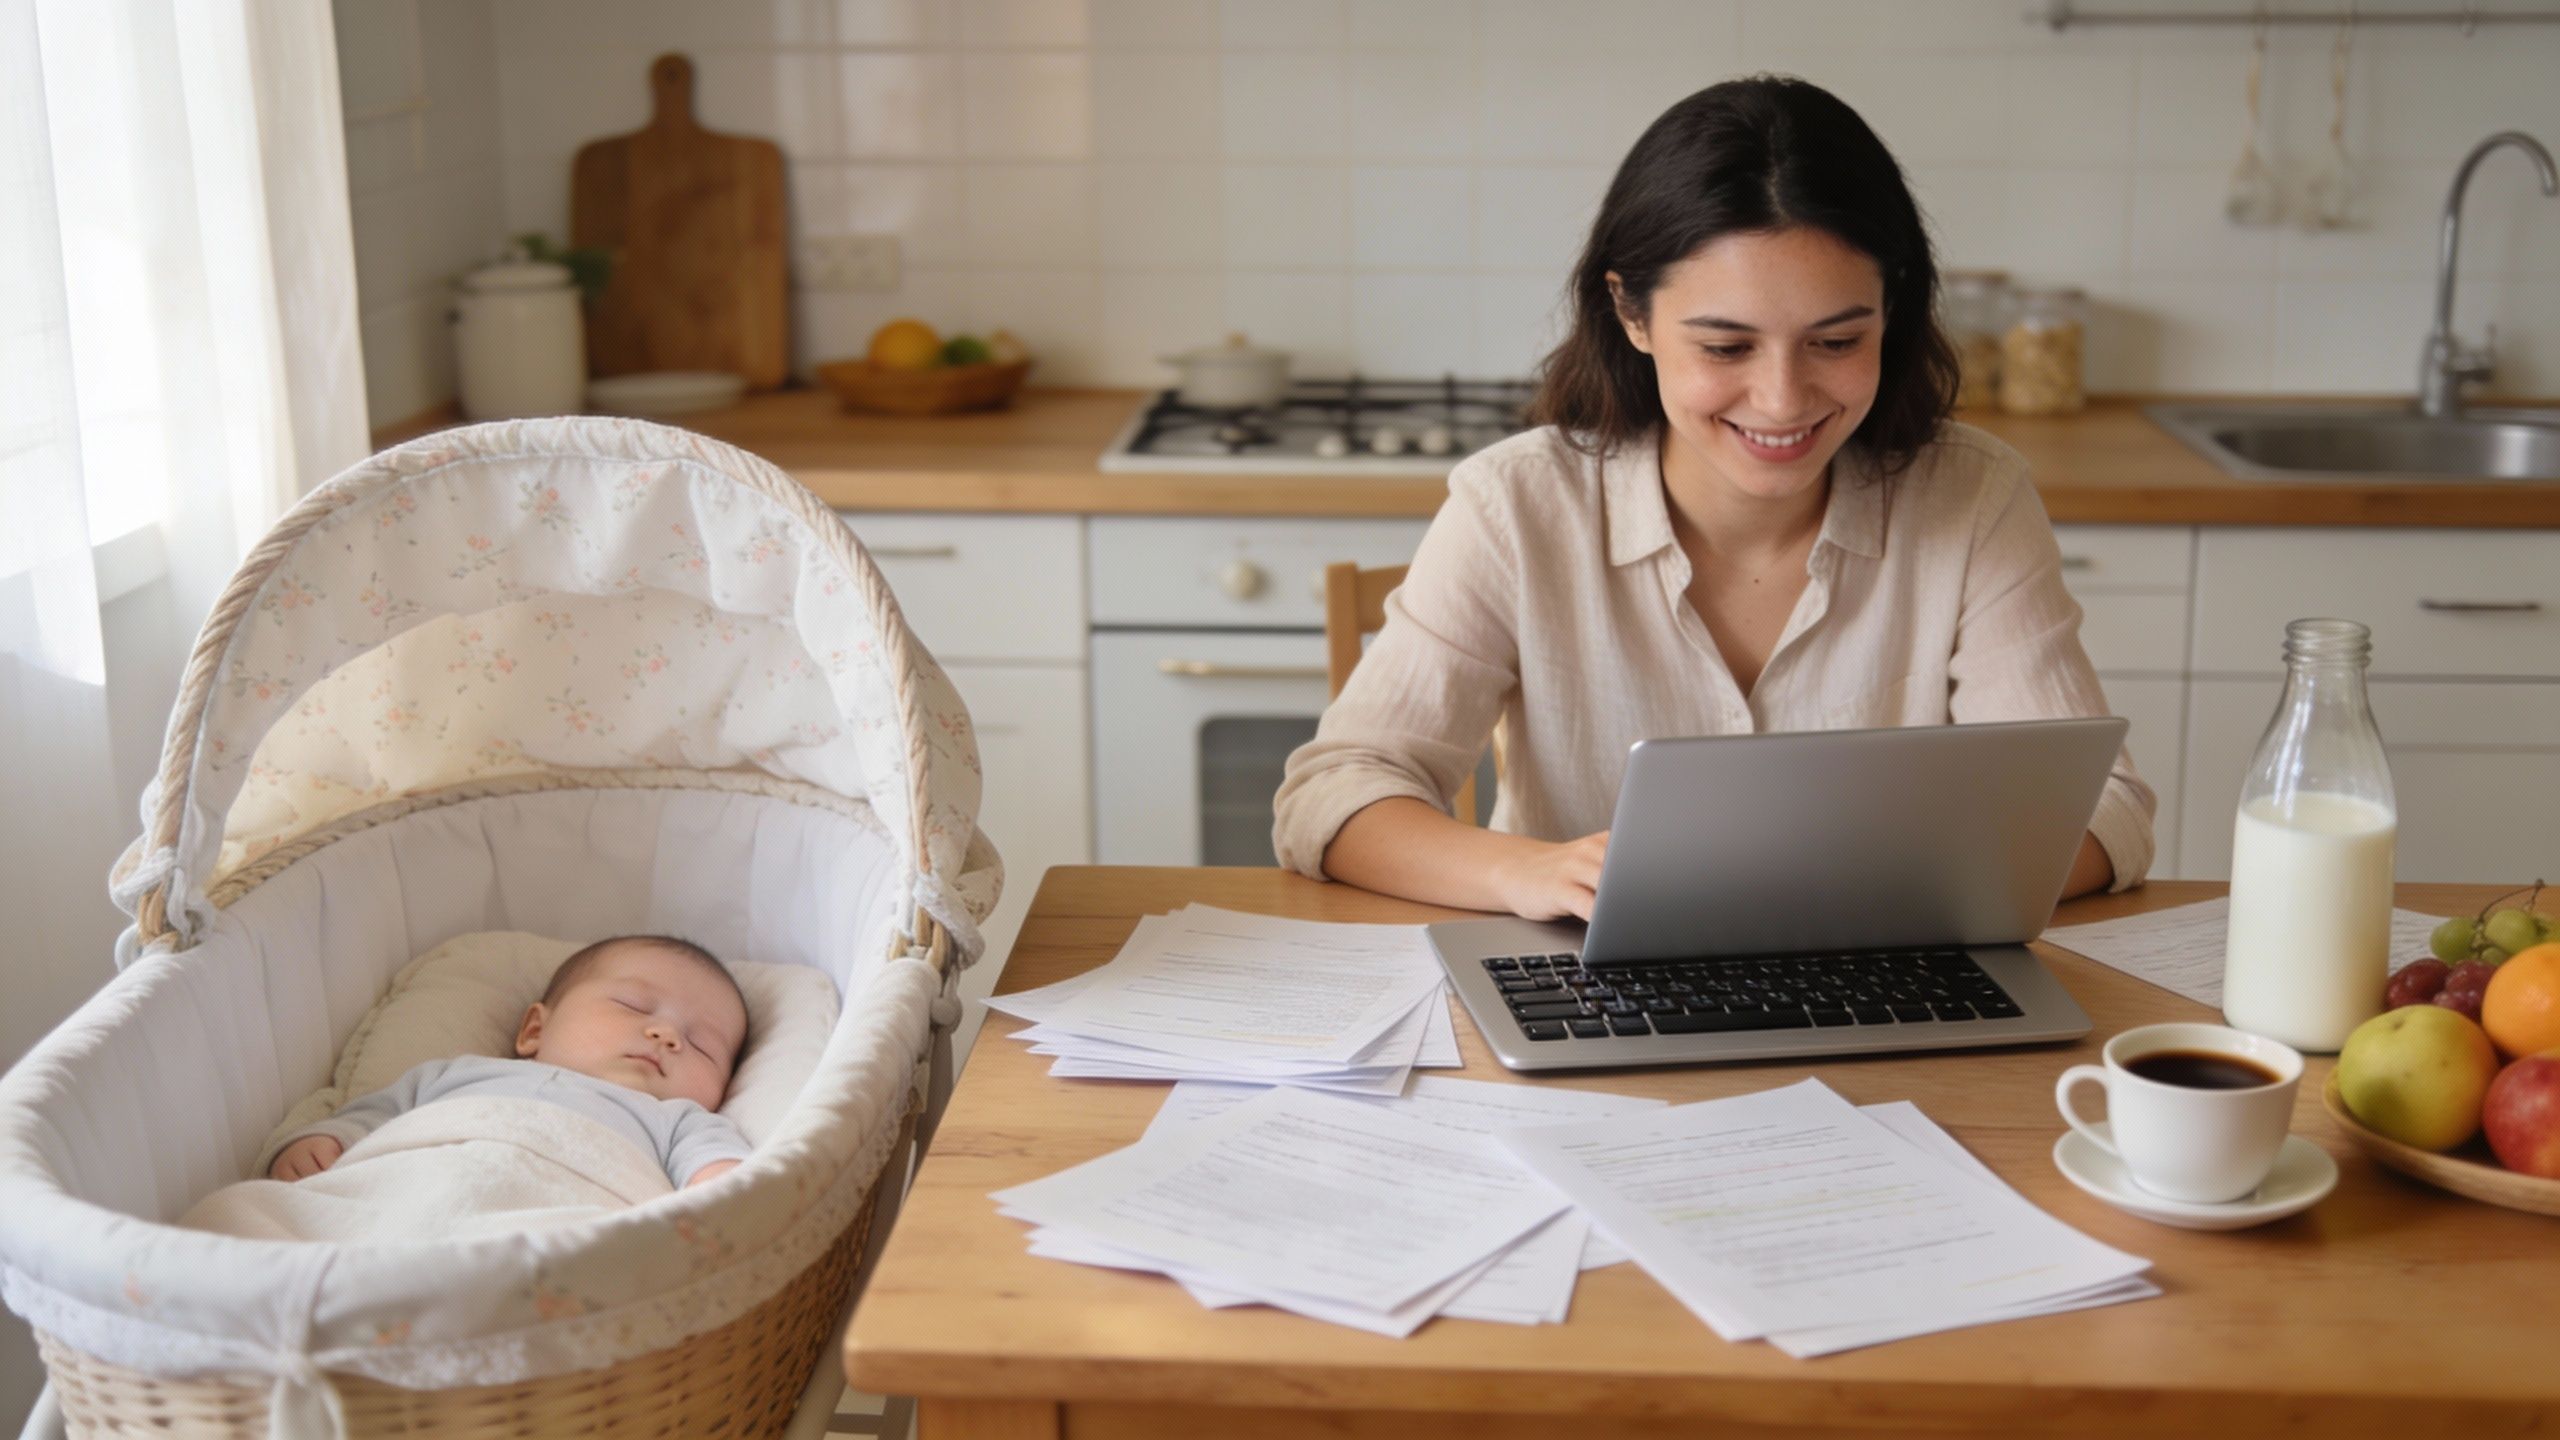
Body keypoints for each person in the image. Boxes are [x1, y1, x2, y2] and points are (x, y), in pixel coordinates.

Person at [1274, 74, 2153, 923]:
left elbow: (2103, 812)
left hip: (1874, 993)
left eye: (1837, 339)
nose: (1782, 400)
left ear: (1896, 310)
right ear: (1632, 315)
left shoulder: (1973, 496)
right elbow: (1335, 792)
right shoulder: (1516, 504)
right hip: (1577, 988)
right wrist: (1531, 871)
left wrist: (1837, 894)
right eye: (1727, 348)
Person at [267, 934, 754, 1190]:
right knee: (240, 1216)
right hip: (399, 1190)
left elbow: (724, 1176)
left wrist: (720, 1187)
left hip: (556, 1226)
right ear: (534, 1031)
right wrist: (322, 1142)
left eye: (703, 1045)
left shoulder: (676, 1122)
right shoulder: (453, 1073)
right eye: (632, 1005)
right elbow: (368, 1119)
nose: (666, 1034)